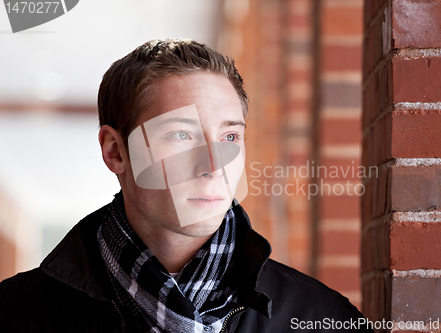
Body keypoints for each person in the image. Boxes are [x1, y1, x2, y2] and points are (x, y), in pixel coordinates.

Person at [0, 39, 373, 332]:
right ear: (116, 152)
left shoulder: (323, 319)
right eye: (181, 135)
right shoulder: (17, 316)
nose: (213, 166)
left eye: (229, 138)